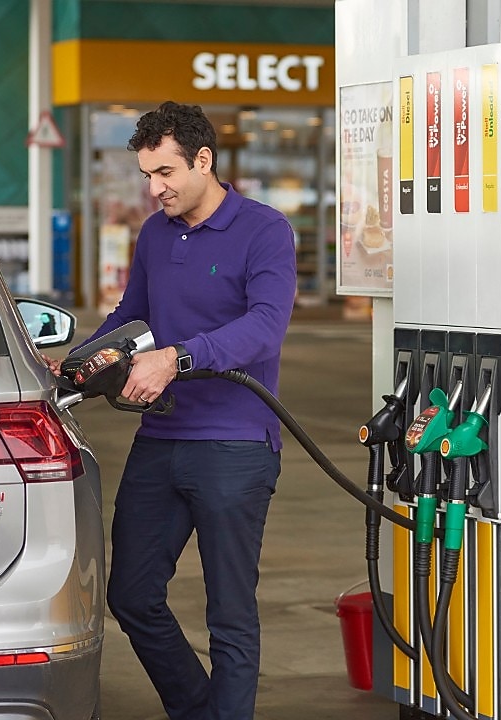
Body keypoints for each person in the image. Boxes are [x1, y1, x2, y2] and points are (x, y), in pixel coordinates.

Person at [71, 101, 296, 720]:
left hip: (235, 444)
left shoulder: (264, 230)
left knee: (229, 611)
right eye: (147, 174)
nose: (155, 187)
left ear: (204, 160)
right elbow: (129, 317)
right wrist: (80, 360)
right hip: (163, 437)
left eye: (165, 172)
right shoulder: (155, 232)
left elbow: (266, 328)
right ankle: (200, 710)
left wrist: (179, 357)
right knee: (132, 595)